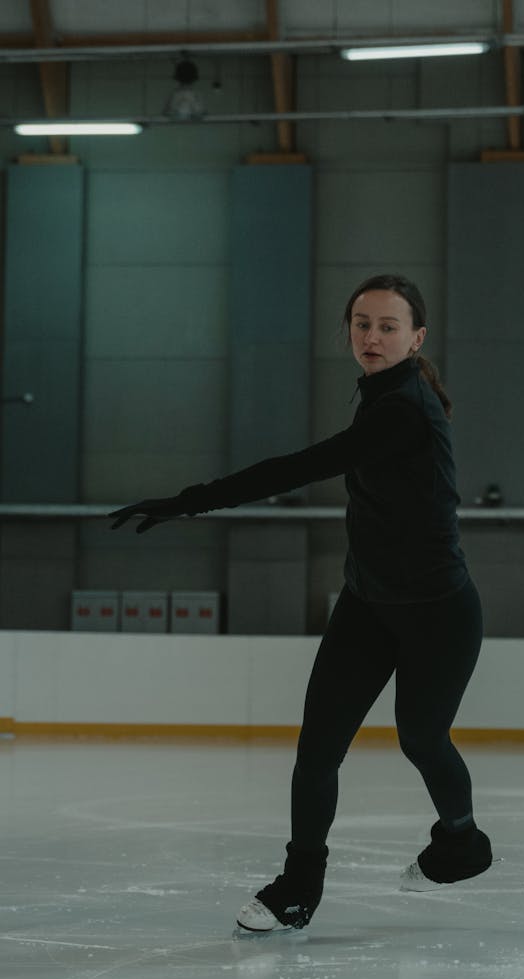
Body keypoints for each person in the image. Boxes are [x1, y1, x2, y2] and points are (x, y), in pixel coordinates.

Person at [109, 274, 493, 932]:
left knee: (423, 737)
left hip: (438, 611)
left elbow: (299, 468)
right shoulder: (380, 396)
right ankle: (298, 885)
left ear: (416, 337)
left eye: (387, 326)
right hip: (368, 604)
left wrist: (188, 499)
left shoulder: (403, 407)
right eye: (361, 323)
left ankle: (461, 840)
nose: (371, 336)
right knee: (318, 749)